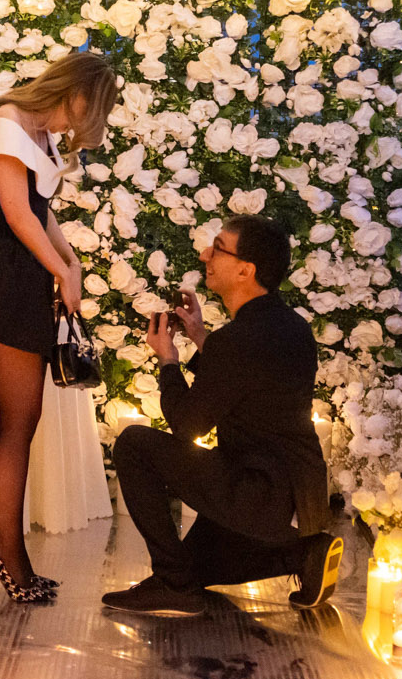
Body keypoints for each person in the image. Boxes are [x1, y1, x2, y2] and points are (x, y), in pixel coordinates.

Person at [0, 50, 120, 606]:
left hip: (21, 274)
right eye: (81, 113)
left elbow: (41, 212)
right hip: (4, 275)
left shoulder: (33, 132)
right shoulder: (5, 124)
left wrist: (72, 263)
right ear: (70, 90)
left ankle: (10, 551)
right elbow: (17, 215)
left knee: (24, 419)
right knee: (18, 421)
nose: (74, 128)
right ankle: (8, 555)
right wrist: (61, 270)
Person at [102, 214, 341, 618]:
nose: (205, 254)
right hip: (297, 495)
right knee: (196, 567)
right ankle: (303, 554)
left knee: (134, 445)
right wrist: (197, 333)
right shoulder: (291, 327)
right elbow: (244, 381)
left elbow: (188, 425)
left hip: (257, 494)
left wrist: (168, 362)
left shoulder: (239, 339)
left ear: (245, 270)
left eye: (218, 248)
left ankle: (172, 585)